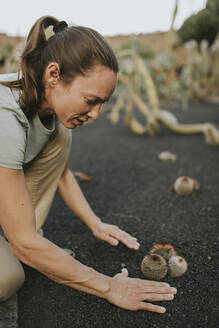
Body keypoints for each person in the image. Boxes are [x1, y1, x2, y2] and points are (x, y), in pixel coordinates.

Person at [0, 16, 177, 313]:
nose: (95, 115)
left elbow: (61, 173)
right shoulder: (6, 116)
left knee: (61, 134)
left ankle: (26, 240)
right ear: (54, 74)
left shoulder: (47, 106)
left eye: (102, 104)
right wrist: (108, 286)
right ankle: (25, 243)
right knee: (7, 278)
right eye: (91, 100)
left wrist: (96, 223)